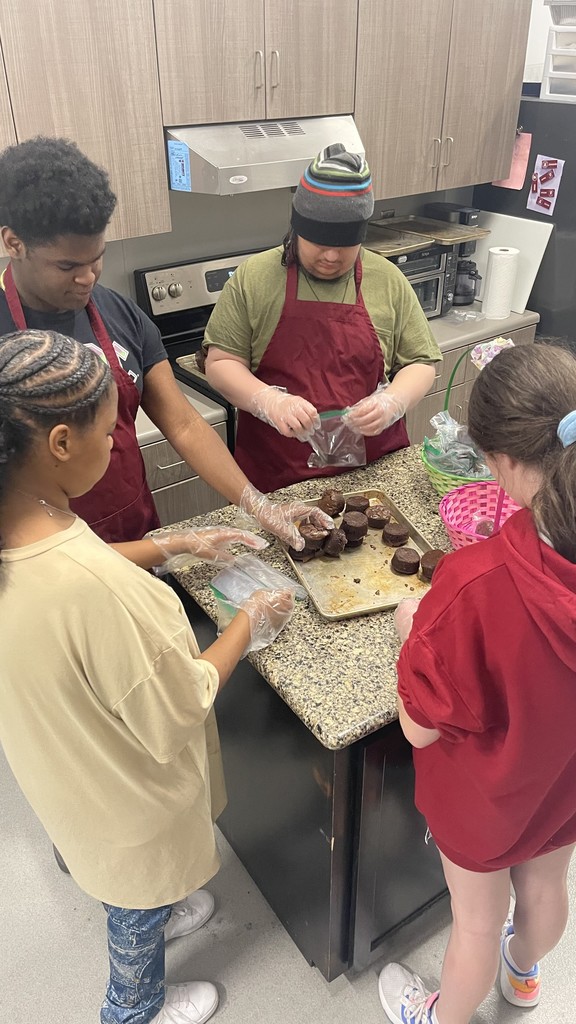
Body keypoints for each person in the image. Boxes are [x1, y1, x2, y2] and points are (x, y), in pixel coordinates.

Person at [0, 327, 295, 1024]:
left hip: (61, 767)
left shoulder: (26, 530)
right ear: (61, 444)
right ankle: (134, 1007)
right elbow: (177, 706)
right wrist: (248, 621)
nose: (117, 445)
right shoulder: (98, 591)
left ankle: (155, 906)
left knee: (127, 881)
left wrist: (173, 542)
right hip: (123, 808)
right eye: (111, 431)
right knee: (132, 906)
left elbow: (68, 569)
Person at [0, 135, 331, 571]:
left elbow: (185, 423)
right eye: (67, 266)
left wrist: (258, 506)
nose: (87, 279)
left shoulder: (120, 314)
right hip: (39, 565)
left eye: (96, 259)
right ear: (13, 242)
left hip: (138, 536)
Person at [377, 344, 576, 1024]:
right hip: (563, 780)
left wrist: (414, 636)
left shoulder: (475, 586)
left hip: (488, 797)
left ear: (505, 464)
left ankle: (440, 1017)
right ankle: (524, 980)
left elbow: (419, 724)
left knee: (477, 921)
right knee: (548, 884)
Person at [204, 143, 442, 492]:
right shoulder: (255, 278)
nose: (331, 256)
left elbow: (422, 362)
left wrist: (394, 401)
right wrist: (269, 400)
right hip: (279, 480)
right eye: (318, 241)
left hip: (374, 478)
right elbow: (220, 363)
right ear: (297, 227)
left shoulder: (387, 280)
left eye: (345, 244)